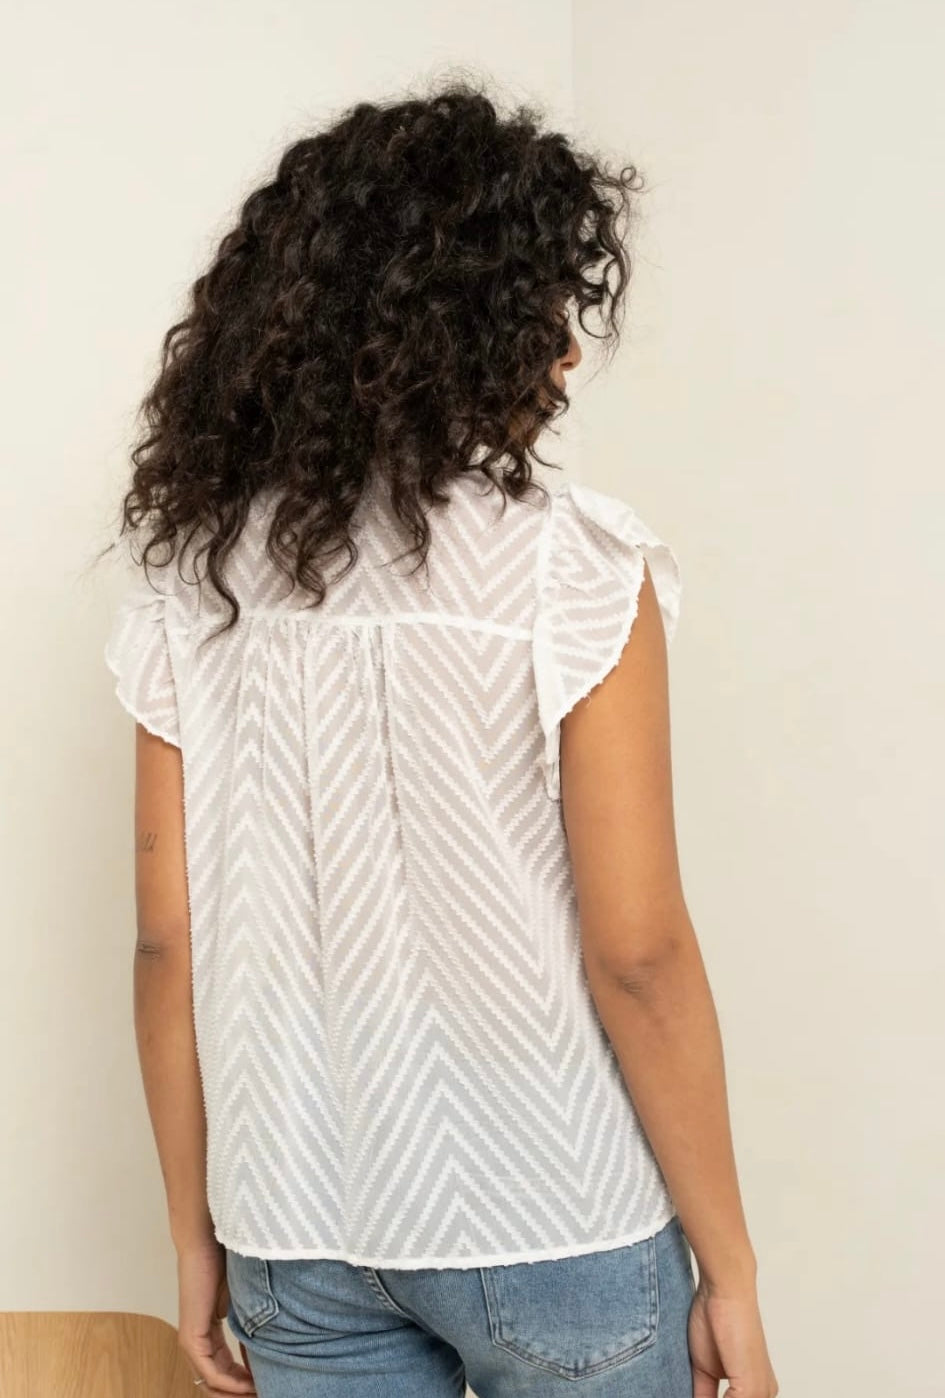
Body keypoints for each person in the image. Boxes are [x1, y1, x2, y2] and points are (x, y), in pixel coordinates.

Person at [102, 78, 778, 1398]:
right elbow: (637, 951)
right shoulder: (573, 569)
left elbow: (166, 942)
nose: (566, 354)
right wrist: (733, 1270)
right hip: (556, 1213)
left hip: (292, 1223)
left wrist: (193, 1235)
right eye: (541, 308)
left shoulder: (198, 584)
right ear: (457, 326)